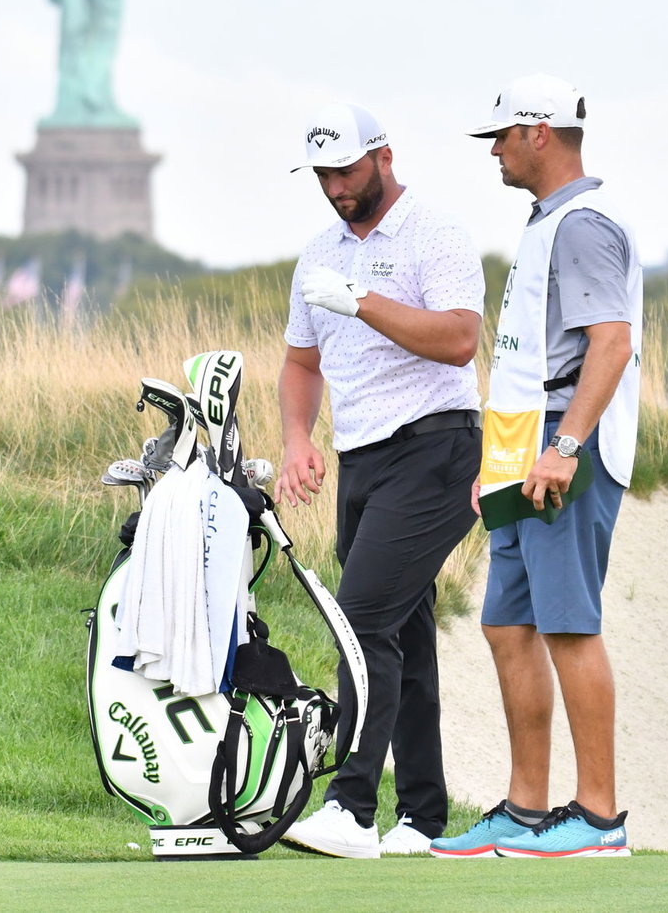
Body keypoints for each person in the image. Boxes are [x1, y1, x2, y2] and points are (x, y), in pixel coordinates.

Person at [429, 74, 642, 859]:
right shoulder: (549, 222)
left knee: (567, 624)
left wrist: (565, 447)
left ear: (538, 133)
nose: (493, 150)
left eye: (501, 135)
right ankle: (524, 812)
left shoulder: (584, 225)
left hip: (563, 445)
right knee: (507, 623)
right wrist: (503, 462)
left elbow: (609, 344)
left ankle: (598, 819)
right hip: (527, 445)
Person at [276, 101, 485, 858]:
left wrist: (362, 302)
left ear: (383, 158)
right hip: (363, 460)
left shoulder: (437, 234)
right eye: (323, 176)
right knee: (405, 631)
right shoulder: (317, 253)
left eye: (346, 171)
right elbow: (302, 363)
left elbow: (461, 340)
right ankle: (425, 817)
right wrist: (299, 438)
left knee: (361, 619)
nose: (336, 188)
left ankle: (353, 807)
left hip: (436, 448)